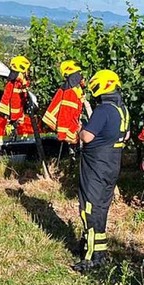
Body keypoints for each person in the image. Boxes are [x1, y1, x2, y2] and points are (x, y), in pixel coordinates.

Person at [73, 69, 130, 272]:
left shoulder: (104, 110)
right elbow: (126, 135)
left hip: (96, 166)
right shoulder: (122, 109)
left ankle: (90, 258)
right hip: (112, 165)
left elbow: (87, 136)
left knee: (89, 209)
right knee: (101, 208)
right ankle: (100, 253)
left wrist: (81, 128)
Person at [43, 60, 86, 144]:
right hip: (69, 131)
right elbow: (66, 112)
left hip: (71, 129)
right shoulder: (71, 91)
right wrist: (62, 134)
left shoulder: (74, 88)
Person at [0, 55, 31, 139]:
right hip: (15, 115)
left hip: (15, 115)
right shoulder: (18, 82)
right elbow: (7, 98)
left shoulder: (18, 81)